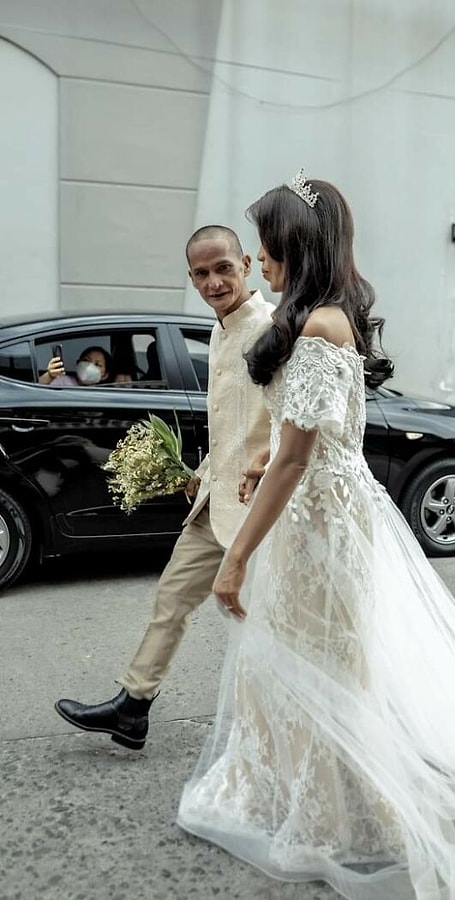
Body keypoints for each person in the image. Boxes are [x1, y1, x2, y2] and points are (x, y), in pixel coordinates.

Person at [177, 173, 455, 900]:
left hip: (321, 525)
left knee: (319, 668)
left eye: (267, 246)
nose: (259, 258)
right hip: (321, 514)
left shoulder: (319, 327)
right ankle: (303, 796)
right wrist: (260, 459)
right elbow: (305, 433)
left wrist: (235, 557)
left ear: (295, 247)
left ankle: (337, 816)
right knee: (304, 663)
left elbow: (301, 457)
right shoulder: (324, 317)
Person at [54, 225, 275, 750]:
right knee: (171, 599)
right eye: (201, 273)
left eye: (223, 268)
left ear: (246, 265)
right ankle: (133, 707)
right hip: (213, 500)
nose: (213, 282)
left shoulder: (272, 330)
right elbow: (236, 422)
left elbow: (288, 422)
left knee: (268, 624)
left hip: (258, 507)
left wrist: (260, 464)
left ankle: (283, 733)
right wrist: (204, 470)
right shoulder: (220, 330)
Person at [39, 345, 117, 386]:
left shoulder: (104, 393)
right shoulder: (63, 381)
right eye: (86, 360)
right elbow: (37, 390)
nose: (89, 366)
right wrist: (49, 376)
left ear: (105, 375)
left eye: (97, 364)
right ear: (78, 364)